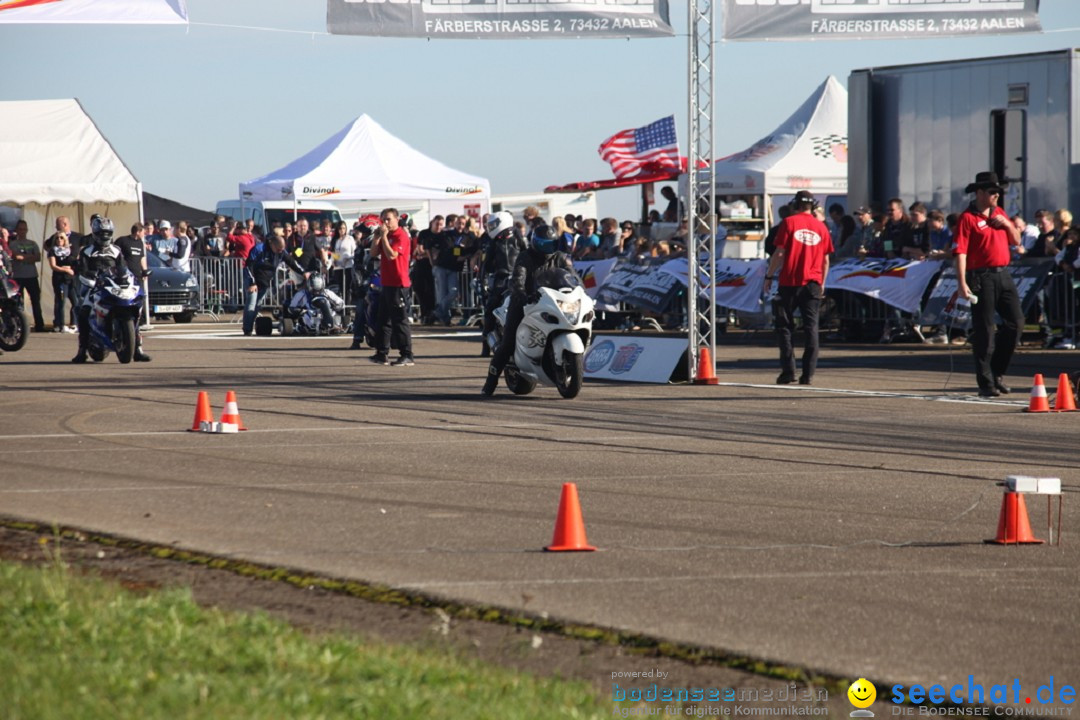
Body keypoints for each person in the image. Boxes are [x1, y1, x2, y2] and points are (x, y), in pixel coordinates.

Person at [481, 224, 575, 397]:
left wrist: (581, 292)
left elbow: (572, 277)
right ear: (534, 243)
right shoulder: (525, 257)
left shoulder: (560, 257)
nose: (547, 248)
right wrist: (523, 295)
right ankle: (490, 383)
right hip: (525, 301)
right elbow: (518, 279)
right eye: (543, 244)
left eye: (551, 244)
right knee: (508, 342)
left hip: (552, 301)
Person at [954, 172, 1024, 398]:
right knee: (985, 332)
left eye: (998, 192)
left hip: (1003, 274)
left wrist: (1006, 224)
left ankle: (996, 373)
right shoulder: (968, 218)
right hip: (981, 277)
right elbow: (961, 252)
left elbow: (1016, 240)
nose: (996, 195)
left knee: (1016, 323)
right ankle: (985, 383)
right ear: (980, 192)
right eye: (992, 192)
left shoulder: (1000, 213)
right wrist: (961, 282)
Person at [763, 190, 833, 386]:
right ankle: (808, 374)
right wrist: (822, 283)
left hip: (790, 282)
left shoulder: (789, 223)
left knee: (784, 327)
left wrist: (769, 275)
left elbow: (779, 252)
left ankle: (788, 371)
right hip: (812, 283)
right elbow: (826, 260)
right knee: (811, 328)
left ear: (795, 205)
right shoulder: (821, 227)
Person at [71, 216, 128, 363]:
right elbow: (82, 269)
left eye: (107, 233)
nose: (104, 236)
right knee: (83, 312)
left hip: (113, 285)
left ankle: (138, 347)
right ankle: (82, 350)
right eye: (102, 233)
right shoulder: (87, 251)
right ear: (95, 233)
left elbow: (123, 268)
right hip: (93, 286)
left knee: (130, 304)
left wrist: (124, 278)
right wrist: (87, 275)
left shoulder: (116, 250)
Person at [241, 227, 307, 336]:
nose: (280, 251)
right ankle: (247, 329)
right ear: (272, 245)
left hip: (265, 281)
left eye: (282, 250)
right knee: (251, 303)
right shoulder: (259, 249)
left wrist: (303, 272)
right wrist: (252, 283)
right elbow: (249, 266)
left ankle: (251, 324)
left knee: (257, 305)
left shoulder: (280, 252)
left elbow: (291, 262)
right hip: (252, 278)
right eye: (278, 249)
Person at [368, 208, 413, 366]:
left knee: (400, 320)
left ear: (397, 219)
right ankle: (382, 353)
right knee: (383, 320)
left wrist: (385, 237)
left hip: (398, 284)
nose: (385, 223)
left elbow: (391, 255)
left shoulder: (401, 236)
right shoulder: (386, 236)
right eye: (383, 220)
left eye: (388, 219)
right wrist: (376, 237)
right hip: (386, 283)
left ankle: (407, 354)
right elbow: (374, 253)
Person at [479, 211, 526, 358]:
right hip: (501, 278)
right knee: (490, 309)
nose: (490, 227)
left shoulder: (518, 237)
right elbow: (485, 265)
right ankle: (486, 345)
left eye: (493, 224)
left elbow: (528, 255)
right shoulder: (494, 242)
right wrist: (483, 281)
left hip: (518, 278)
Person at [114, 222, 152, 361]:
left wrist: (144, 271)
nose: (144, 234)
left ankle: (137, 348)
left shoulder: (141, 243)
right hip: (125, 280)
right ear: (138, 231)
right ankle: (124, 338)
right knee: (126, 309)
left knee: (138, 312)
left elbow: (142, 258)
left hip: (138, 280)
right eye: (143, 232)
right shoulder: (122, 241)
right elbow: (115, 257)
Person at [9, 220, 46, 332]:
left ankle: (39, 325)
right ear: (17, 230)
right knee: (16, 302)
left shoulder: (32, 243)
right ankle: (17, 325)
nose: (22, 231)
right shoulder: (13, 244)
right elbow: (16, 257)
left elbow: (38, 257)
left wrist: (24, 257)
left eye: (24, 229)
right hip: (18, 276)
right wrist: (29, 257)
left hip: (31, 276)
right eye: (20, 229)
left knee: (35, 300)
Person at [45, 226, 77, 332]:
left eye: (62, 238)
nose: (59, 240)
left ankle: (74, 323)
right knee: (61, 302)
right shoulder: (52, 251)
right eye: (57, 238)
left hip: (70, 279)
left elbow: (74, 263)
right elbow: (54, 266)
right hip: (59, 279)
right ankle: (61, 324)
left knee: (76, 301)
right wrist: (65, 269)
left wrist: (69, 268)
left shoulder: (69, 251)